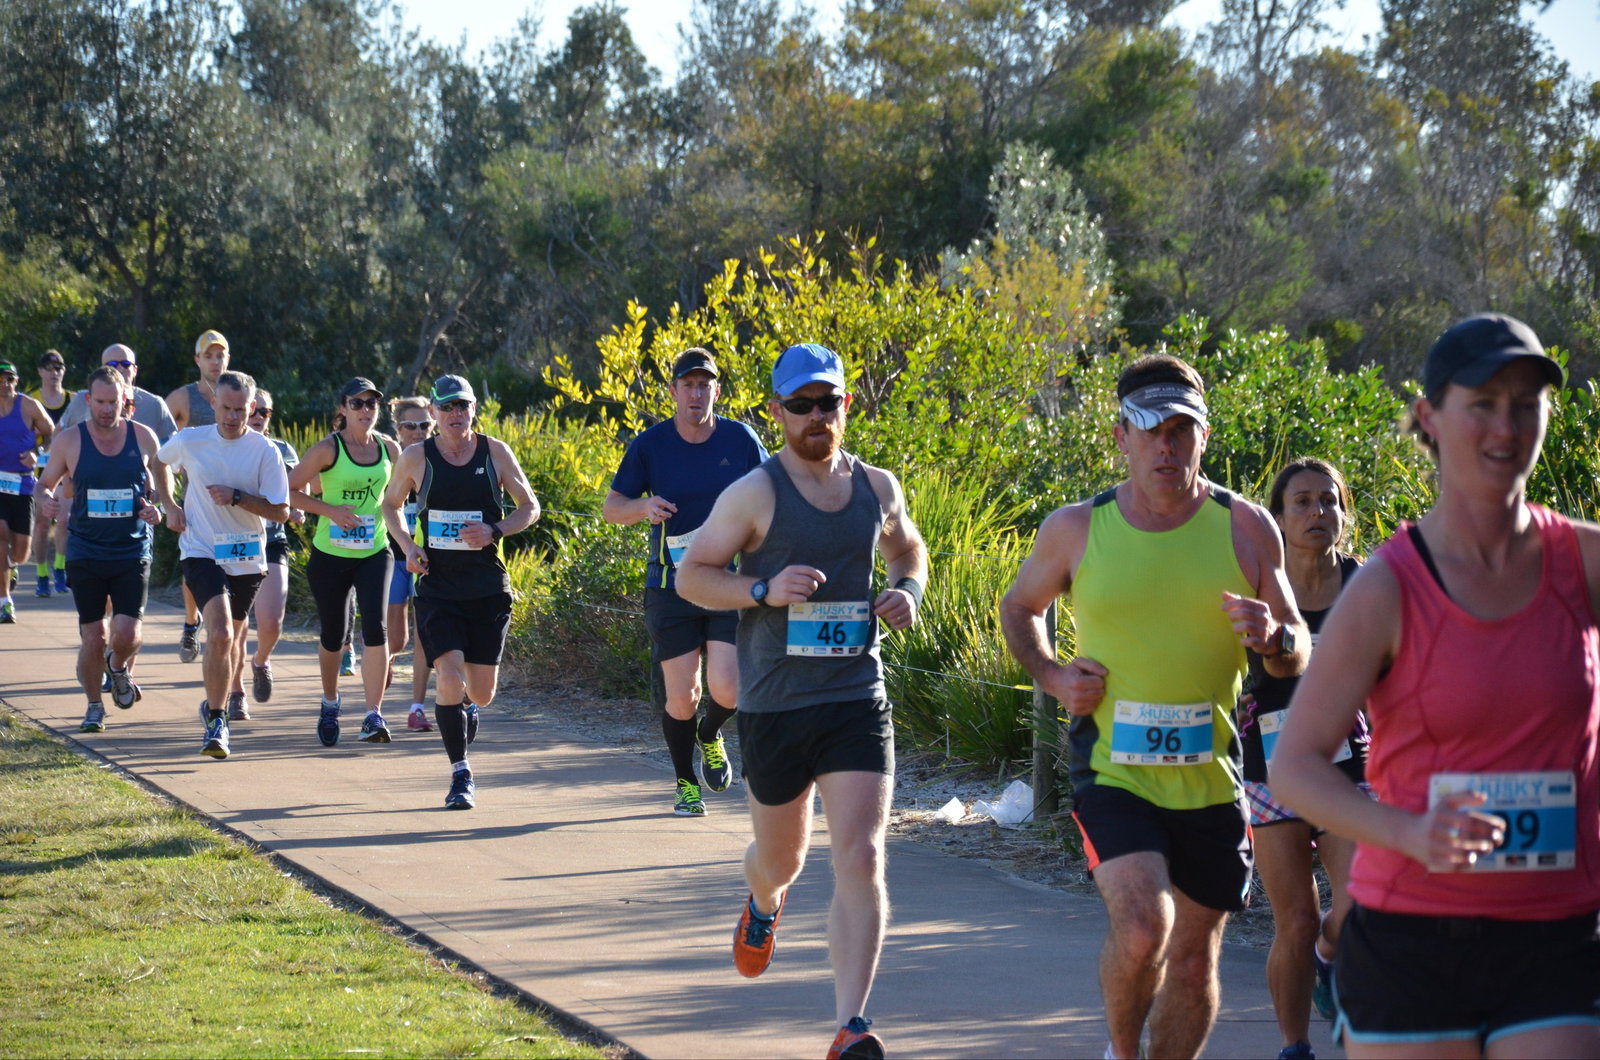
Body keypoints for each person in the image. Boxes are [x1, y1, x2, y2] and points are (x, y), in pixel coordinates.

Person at [1272, 313, 1600, 1059]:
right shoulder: (1388, 586)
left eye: (1527, 402)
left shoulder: (1585, 563)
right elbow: (1295, 764)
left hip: (1557, 934)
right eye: (1482, 402)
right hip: (1413, 939)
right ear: (1430, 417)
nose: (1507, 425)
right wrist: (1410, 834)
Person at [999, 353, 1309, 1060]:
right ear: (1121, 438)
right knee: (1144, 928)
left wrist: (1275, 637)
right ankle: (1121, 1051)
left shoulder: (1246, 527)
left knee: (1196, 962)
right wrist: (1051, 674)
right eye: (1150, 430)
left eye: (1181, 430)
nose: (1167, 446)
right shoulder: (1077, 528)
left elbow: (1299, 650)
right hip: (1114, 769)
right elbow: (1021, 606)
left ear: (1203, 435)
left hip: (1211, 778)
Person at [676, 342, 928, 1060]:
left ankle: (851, 1027)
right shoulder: (754, 494)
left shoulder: (878, 489)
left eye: (828, 403)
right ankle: (763, 904)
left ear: (847, 405)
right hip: (776, 705)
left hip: (856, 695)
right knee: (780, 860)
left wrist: (906, 592)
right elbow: (693, 576)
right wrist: (760, 589)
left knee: (861, 854)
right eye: (800, 405)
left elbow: (910, 552)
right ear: (777, 412)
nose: (816, 416)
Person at [1237, 458, 1368, 1060]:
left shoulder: (1366, 584)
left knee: (1361, 903)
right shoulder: (1258, 583)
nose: (1318, 513)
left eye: (1329, 501)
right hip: (1271, 768)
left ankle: (1329, 957)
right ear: (1279, 517)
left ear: (1343, 512)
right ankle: (1295, 1047)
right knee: (1295, 920)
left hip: (1348, 766)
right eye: (1303, 503)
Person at [603, 348, 768, 816]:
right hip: (670, 585)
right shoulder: (651, 444)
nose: (696, 393)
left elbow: (774, 490)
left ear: (717, 390)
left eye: (705, 384)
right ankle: (685, 784)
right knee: (683, 695)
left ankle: (710, 732)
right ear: (673, 391)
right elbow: (612, 507)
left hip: (726, 583)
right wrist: (643, 508)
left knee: (729, 689)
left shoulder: (740, 440)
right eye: (688, 385)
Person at [381, 375, 540, 808]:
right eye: (447, 407)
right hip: (438, 589)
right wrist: (409, 547)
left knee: (481, 692)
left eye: (462, 406)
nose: (455, 415)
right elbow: (390, 505)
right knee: (448, 678)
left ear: (473, 410)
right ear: (433, 412)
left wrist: (495, 529)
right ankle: (461, 774)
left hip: (487, 589)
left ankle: (467, 707)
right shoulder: (416, 457)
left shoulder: (495, 453)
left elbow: (530, 507)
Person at [157, 370, 290, 760]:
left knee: (232, 637)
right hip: (201, 550)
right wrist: (170, 505)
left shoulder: (265, 451)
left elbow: (281, 512)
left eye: (240, 410)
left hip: (248, 557)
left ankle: (216, 704)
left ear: (252, 408)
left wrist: (237, 498)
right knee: (218, 634)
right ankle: (217, 721)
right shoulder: (191, 440)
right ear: (214, 403)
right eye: (226, 408)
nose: (233, 417)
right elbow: (159, 462)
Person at [35, 367, 176, 732]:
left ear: (124, 401)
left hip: (131, 550)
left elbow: (161, 482)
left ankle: (116, 667)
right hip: (86, 550)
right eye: (100, 402)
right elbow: (45, 484)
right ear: (87, 400)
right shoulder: (69, 441)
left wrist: (157, 507)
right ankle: (94, 706)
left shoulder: (143, 438)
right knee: (94, 636)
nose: (106, 409)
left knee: (127, 635)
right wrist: (46, 501)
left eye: (113, 402)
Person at [290, 378, 400, 745]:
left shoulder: (390, 449)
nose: (366, 410)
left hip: (374, 550)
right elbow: (289, 491)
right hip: (330, 554)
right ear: (342, 409)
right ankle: (330, 701)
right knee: (334, 637)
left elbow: (402, 492)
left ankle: (373, 714)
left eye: (372, 404)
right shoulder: (327, 449)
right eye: (357, 403)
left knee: (376, 628)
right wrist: (330, 511)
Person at [166, 329, 231, 663]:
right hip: (197, 500)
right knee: (194, 565)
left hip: (236, 500)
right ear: (197, 360)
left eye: (220, 355)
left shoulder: (237, 392)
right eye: (209, 355)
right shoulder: (183, 398)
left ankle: (226, 627)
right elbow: (162, 446)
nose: (215, 361)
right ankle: (192, 622)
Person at [240, 389, 302, 711]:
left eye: (266, 412)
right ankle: (235, 693)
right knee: (234, 625)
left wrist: (296, 507)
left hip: (271, 540)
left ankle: (261, 661)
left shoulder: (281, 449)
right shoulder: (226, 448)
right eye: (256, 409)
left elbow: (296, 488)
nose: (260, 416)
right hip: (232, 541)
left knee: (272, 622)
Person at [385, 395, 436, 732]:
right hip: (391, 556)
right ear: (398, 429)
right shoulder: (390, 461)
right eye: (410, 426)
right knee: (397, 638)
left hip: (427, 560)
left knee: (423, 635)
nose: (418, 432)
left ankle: (416, 708)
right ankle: (381, 659)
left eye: (424, 426)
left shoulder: (440, 460)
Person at [0, 360, 55, 624]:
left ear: (16, 381)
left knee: (22, 552)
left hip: (22, 484)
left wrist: (37, 452)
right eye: (0, 378)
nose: (4, 383)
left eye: (9, 378)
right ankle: (5, 602)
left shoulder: (29, 406)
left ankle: (10, 567)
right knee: (0, 536)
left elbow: (51, 433)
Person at [28, 350, 70, 598]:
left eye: (59, 368)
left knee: (64, 521)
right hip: (39, 473)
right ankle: (42, 574)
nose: (54, 373)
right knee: (43, 525)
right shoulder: (30, 400)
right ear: (40, 372)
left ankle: (60, 571)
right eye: (49, 368)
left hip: (66, 471)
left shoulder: (73, 400)